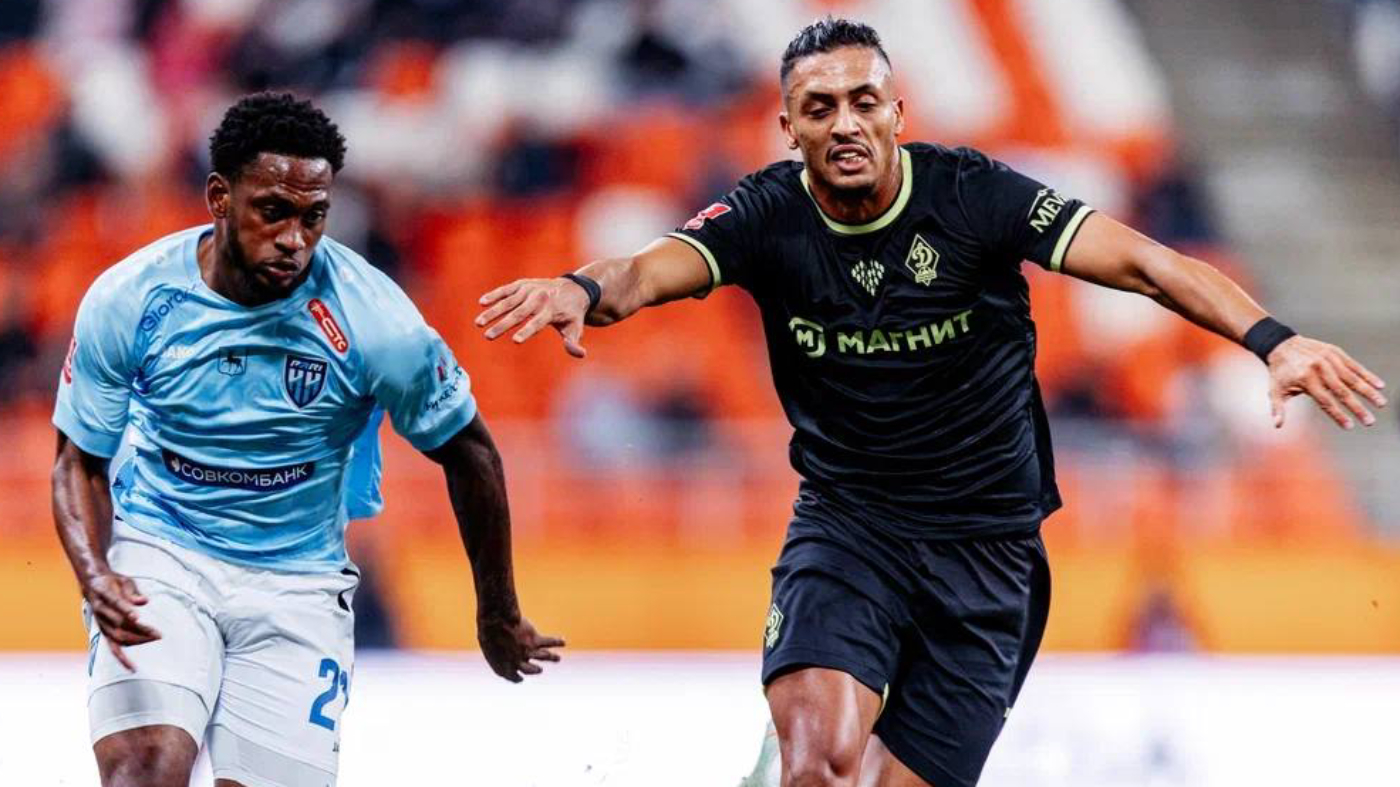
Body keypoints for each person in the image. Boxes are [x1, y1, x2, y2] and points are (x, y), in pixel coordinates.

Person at [478, 17, 1386, 787]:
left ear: (897, 113)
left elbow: (1147, 264)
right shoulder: (765, 215)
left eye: (864, 101)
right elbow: (645, 271)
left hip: (989, 553)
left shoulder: (972, 197)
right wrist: (580, 288)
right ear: (788, 126)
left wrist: (1274, 339)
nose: (845, 123)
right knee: (820, 763)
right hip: (851, 527)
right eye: (820, 107)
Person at [52, 91, 564, 787]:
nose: (294, 238)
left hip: (298, 582)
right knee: (144, 767)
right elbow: (78, 460)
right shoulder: (130, 299)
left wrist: (497, 609)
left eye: (313, 216)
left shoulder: (377, 321)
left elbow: (470, 451)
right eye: (273, 211)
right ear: (220, 197)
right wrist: (96, 573)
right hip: (161, 550)